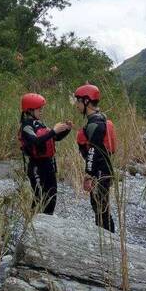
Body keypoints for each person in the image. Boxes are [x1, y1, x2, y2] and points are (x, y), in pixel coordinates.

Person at [19, 93, 72, 214]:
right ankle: (33, 223)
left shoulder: (40, 124)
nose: (42, 111)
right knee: (39, 197)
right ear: (30, 109)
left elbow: (54, 138)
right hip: (36, 166)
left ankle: (47, 223)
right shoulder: (26, 126)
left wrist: (66, 130)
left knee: (52, 194)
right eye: (39, 109)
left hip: (48, 164)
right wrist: (54, 131)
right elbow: (36, 141)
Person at [74, 83, 115, 232]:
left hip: (99, 173)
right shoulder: (100, 118)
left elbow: (93, 152)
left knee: (100, 209)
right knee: (101, 207)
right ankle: (106, 237)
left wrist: (88, 175)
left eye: (78, 101)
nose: (76, 105)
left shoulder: (96, 124)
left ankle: (108, 240)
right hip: (104, 170)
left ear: (86, 101)